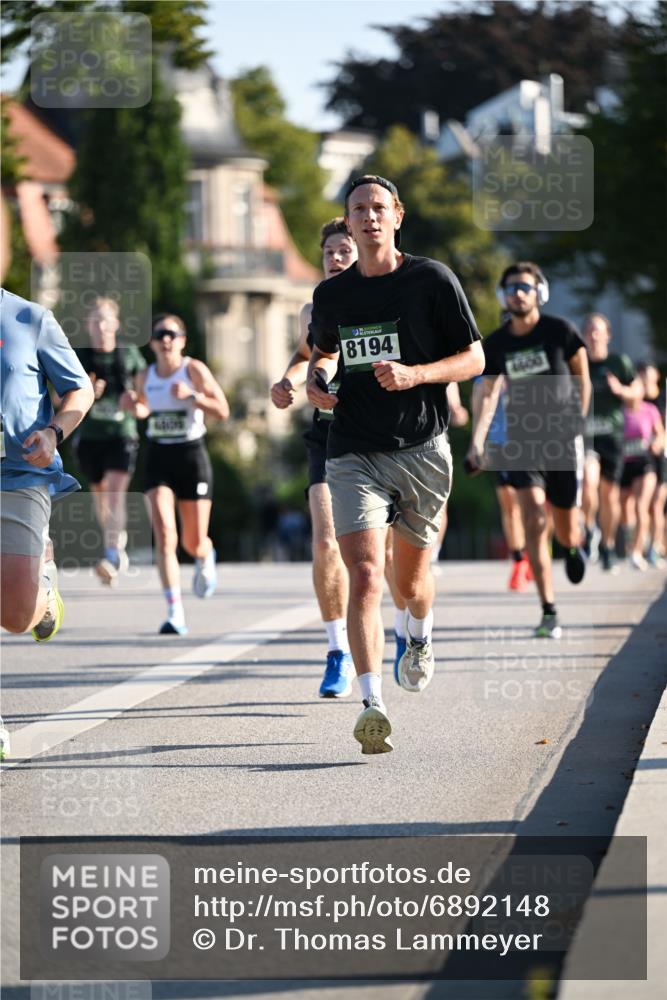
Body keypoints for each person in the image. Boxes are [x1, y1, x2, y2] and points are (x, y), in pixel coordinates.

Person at [307, 175, 484, 754]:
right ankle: (371, 704)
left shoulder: (430, 280)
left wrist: (416, 374)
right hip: (354, 449)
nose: (369, 217)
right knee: (363, 572)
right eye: (358, 209)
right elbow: (326, 351)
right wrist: (319, 383)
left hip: (422, 448)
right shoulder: (332, 294)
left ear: (397, 217)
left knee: (409, 583)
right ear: (349, 222)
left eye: (378, 207)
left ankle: (420, 634)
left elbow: (475, 357)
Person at [467, 262, 591, 639]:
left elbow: (581, 378)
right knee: (535, 521)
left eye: (525, 286)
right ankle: (548, 610)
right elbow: (487, 394)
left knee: (566, 526)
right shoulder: (498, 343)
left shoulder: (561, 332)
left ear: (540, 291)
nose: (518, 293)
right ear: (503, 295)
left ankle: (571, 547)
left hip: (561, 438)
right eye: (511, 288)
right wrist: (477, 441)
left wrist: (577, 421)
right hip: (520, 443)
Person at [1, 287, 94, 649]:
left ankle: (44, 580)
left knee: (16, 617)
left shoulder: (29, 318)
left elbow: (80, 388)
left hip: (20, 474)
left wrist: (53, 433)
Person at [128, 314, 229, 635]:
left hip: (191, 456)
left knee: (192, 541)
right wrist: (133, 406)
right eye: (159, 334)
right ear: (153, 342)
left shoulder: (193, 370)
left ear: (182, 340)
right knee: (165, 533)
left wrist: (192, 397)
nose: (166, 339)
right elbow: (143, 408)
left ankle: (204, 554)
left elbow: (223, 411)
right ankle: (175, 611)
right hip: (158, 455)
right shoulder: (145, 375)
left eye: (172, 334)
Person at [73, 296, 146, 585]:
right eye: (96, 320)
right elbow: (57, 399)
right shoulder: (79, 356)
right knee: (101, 498)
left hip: (121, 435)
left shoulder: (129, 355)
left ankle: (112, 553)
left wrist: (135, 404)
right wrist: (87, 392)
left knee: (115, 494)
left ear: (116, 323)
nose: (102, 326)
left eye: (106, 320)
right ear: (88, 325)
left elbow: (145, 405)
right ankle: (115, 541)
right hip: (90, 438)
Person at [581, 313, 642, 572]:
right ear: (584, 336)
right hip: (586, 437)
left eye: (599, 331)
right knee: (588, 483)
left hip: (612, 437)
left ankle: (606, 545)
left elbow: (637, 398)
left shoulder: (619, 362)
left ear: (607, 335)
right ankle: (589, 529)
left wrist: (621, 390)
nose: (594, 335)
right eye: (590, 331)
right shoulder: (578, 361)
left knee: (609, 496)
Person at [470, 376, 532, 590]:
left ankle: (535, 552)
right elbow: (478, 408)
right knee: (510, 505)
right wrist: (476, 446)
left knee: (536, 506)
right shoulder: (486, 373)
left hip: (531, 443)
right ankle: (518, 561)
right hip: (499, 445)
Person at [619, 391, 664, 570]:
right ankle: (636, 538)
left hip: (645, 463)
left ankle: (638, 552)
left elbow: (660, 434)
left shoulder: (650, 410)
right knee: (624, 507)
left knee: (641, 506)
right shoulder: (619, 411)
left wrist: (656, 444)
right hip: (624, 464)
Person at [637, 362, 667, 566]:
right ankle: (646, 543)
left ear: (656, 376)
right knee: (643, 505)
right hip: (641, 457)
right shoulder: (636, 398)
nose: (646, 380)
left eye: (649, 376)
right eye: (642, 376)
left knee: (657, 504)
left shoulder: (663, 398)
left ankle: (655, 547)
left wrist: (660, 440)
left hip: (662, 456)